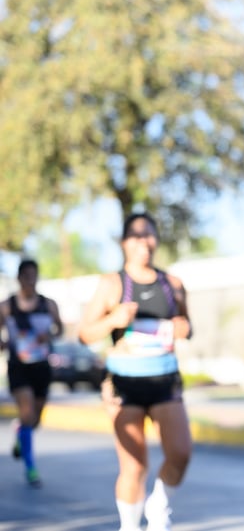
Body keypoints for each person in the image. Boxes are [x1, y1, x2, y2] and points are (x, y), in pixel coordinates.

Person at [78, 212, 192, 531]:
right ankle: (129, 526)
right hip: (125, 383)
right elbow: (85, 333)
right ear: (125, 243)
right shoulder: (112, 284)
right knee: (134, 466)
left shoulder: (172, 284)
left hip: (164, 378)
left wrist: (185, 328)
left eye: (150, 235)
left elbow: (187, 324)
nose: (144, 242)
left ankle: (160, 506)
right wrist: (112, 320)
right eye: (137, 236)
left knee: (181, 454)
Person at [0, 258, 63, 488]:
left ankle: (20, 435)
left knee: (34, 420)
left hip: (41, 367)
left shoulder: (49, 305)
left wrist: (50, 335)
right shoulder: (7, 306)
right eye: (26, 275)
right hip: (18, 367)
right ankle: (31, 468)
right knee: (27, 413)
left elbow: (60, 328)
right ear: (19, 278)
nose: (30, 280)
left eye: (33, 275)